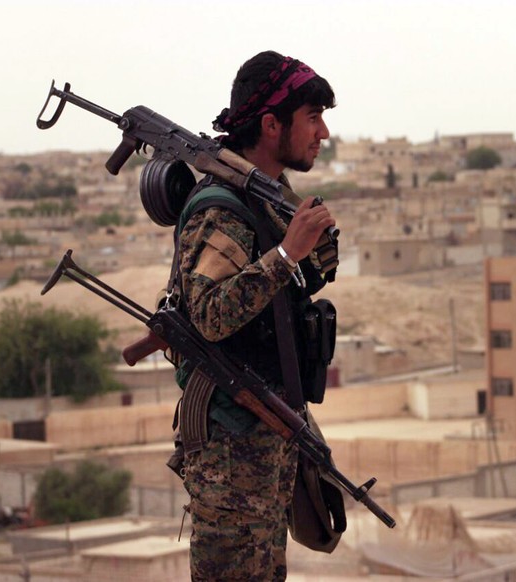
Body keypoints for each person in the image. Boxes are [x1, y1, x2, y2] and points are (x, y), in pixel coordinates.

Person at [176, 50, 337, 581]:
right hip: (229, 450)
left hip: (265, 438)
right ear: (271, 125)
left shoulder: (269, 201)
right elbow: (207, 317)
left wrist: (307, 257)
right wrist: (286, 254)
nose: (324, 132)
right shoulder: (223, 209)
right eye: (311, 117)